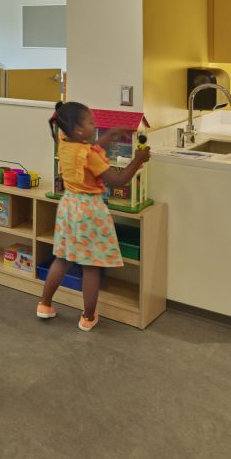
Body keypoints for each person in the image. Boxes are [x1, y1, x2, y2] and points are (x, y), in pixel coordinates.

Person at [36, 101, 150, 331]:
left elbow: (90, 148)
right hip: (90, 211)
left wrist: (111, 135)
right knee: (91, 267)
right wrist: (138, 160)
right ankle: (88, 317)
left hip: (69, 206)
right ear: (78, 130)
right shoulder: (89, 155)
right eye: (91, 122)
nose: (95, 125)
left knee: (62, 258)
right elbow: (117, 181)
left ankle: (45, 304)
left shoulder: (65, 143)